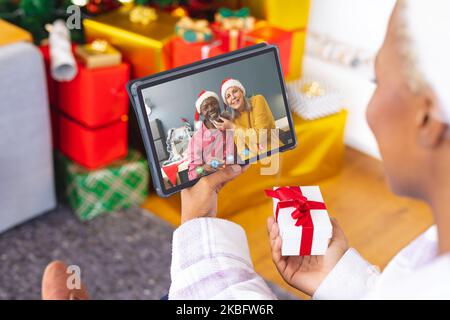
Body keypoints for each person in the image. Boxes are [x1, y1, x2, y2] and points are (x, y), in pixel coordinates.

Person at [169, 0, 450, 299]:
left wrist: (197, 226)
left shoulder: (255, 106)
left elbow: (263, 136)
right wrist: (339, 280)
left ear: (426, 117)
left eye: (377, 80)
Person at [213, 78, 282, 160]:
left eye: (235, 91)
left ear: (242, 91)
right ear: (227, 103)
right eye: (228, 96)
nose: (233, 97)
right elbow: (242, 150)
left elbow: (261, 136)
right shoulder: (233, 120)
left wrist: (233, 127)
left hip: (276, 155)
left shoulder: (258, 100)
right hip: (256, 163)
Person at [187, 90, 234, 180]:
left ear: (218, 104)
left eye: (213, 103)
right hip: (219, 185)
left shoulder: (230, 124)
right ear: (201, 112)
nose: (211, 108)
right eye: (206, 107)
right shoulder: (196, 139)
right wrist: (205, 168)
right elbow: (192, 174)